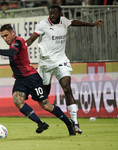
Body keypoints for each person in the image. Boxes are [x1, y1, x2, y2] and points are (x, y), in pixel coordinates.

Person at [0, 24, 76, 136]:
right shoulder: (12, 43)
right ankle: (40, 123)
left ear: (13, 32)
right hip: (20, 80)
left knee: (46, 105)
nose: (5, 38)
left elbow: (11, 53)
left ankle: (69, 123)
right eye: (2, 37)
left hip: (32, 79)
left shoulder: (18, 41)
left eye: (6, 35)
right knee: (17, 99)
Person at [26, 4, 104, 134]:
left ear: (60, 13)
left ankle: (75, 122)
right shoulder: (42, 24)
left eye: (56, 12)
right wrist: (20, 47)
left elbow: (74, 22)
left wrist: (92, 24)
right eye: (51, 12)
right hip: (46, 63)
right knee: (44, 96)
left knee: (67, 88)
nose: (53, 15)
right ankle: (32, 90)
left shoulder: (64, 21)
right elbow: (31, 39)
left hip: (61, 60)